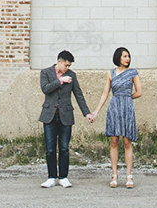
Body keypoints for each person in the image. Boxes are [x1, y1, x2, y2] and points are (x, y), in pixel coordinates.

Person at [37, 50, 92, 188]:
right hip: (49, 115)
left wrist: (87, 113)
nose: (67, 68)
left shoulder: (72, 75)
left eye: (69, 66)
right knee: (50, 149)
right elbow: (45, 89)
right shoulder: (46, 73)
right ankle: (51, 177)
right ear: (59, 62)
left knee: (64, 148)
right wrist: (60, 80)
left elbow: (78, 95)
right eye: (66, 65)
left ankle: (63, 177)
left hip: (65, 116)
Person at [89, 46, 141, 188]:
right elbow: (105, 93)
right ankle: (114, 175)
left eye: (128, 56)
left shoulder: (133, 73)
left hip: (127, 107)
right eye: (125, 56)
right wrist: (96, 111)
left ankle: (129, 176)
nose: (127, 59)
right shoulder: (110, 73)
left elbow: (139, 92)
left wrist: (127, 98)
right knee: (114, 141)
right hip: (114, 107)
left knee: (127, 142)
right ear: (118, 57)